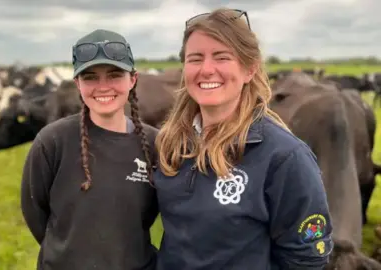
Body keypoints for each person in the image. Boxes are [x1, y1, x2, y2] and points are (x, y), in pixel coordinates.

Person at [153, 8, 334, 270]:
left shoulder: (285, 157)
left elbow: (306, 259)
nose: (207, 69)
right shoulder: (172, 145)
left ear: (250, 69)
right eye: (195, 59)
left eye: (222, 57)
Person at [20, 29, 159, 270]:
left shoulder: (154, 144)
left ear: (133, 79)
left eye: (115, 75)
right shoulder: (52, 141)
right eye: (90, 77)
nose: (103, 87)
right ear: (77, 83)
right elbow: (35, 212)